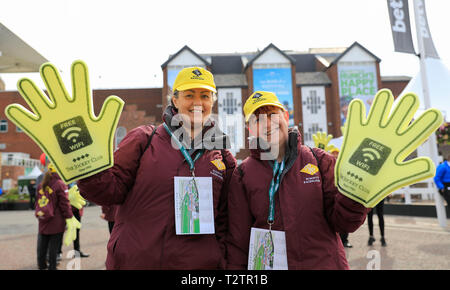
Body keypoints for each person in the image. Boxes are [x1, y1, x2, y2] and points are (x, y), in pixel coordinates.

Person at [77, 67, 236, 269]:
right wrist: (85, 166)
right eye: (189, 95)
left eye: (205, 95)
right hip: (137, 262)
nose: (197, 102)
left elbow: (225, 218)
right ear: (175, 100)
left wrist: (218, 258)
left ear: (212, 102)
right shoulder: (144, 139)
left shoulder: (223, 157)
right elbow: (109, 191)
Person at [226, 91, 369, 270]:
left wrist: (357, 194)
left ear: (286, 116)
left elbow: (344, 223)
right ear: (250, 129)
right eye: (258, 120)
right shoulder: (243, 175)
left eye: (272, 114)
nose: (267, 123)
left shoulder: (319, 160)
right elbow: (238, 242)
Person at [35, 163, 73, 270]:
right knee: (54, 246)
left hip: (43, 218)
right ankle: (52, 267)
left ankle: (42, 265)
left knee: (42, 244)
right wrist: (69, 217)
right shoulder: (60, 184)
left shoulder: (41, 184)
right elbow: (64, 204)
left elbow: (37, 202)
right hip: (56, 220)